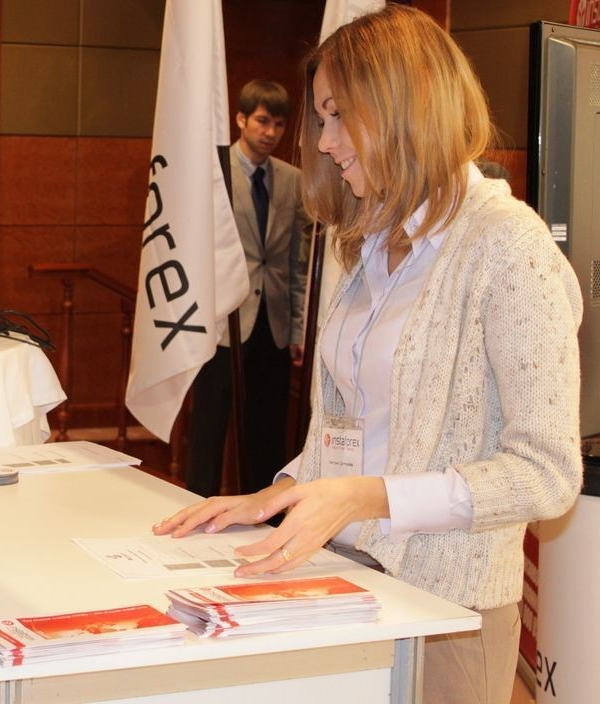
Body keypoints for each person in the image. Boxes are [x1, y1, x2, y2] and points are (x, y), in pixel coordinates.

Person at [156, 7, 582, 704]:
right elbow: (356, 428)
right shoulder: (369, 244)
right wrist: (276, 494)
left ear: (401, 107)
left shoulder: (507, 246)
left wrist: (367, 497)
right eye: (320, 120)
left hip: (450, 616)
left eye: (337, 116)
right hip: (344, 586)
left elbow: (546, 474)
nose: (323, 144)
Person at [187, 79, 312, 497]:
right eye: (262, 121)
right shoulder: (213, 171)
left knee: (267, 432)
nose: (270, 132)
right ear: (240, 119)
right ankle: (196, 507)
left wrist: (297, 328)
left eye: (279, 124)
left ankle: (265, 514)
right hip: (222, 323)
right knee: (208, 429)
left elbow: (297, 262)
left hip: (272, 325)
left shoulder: (293, 180)